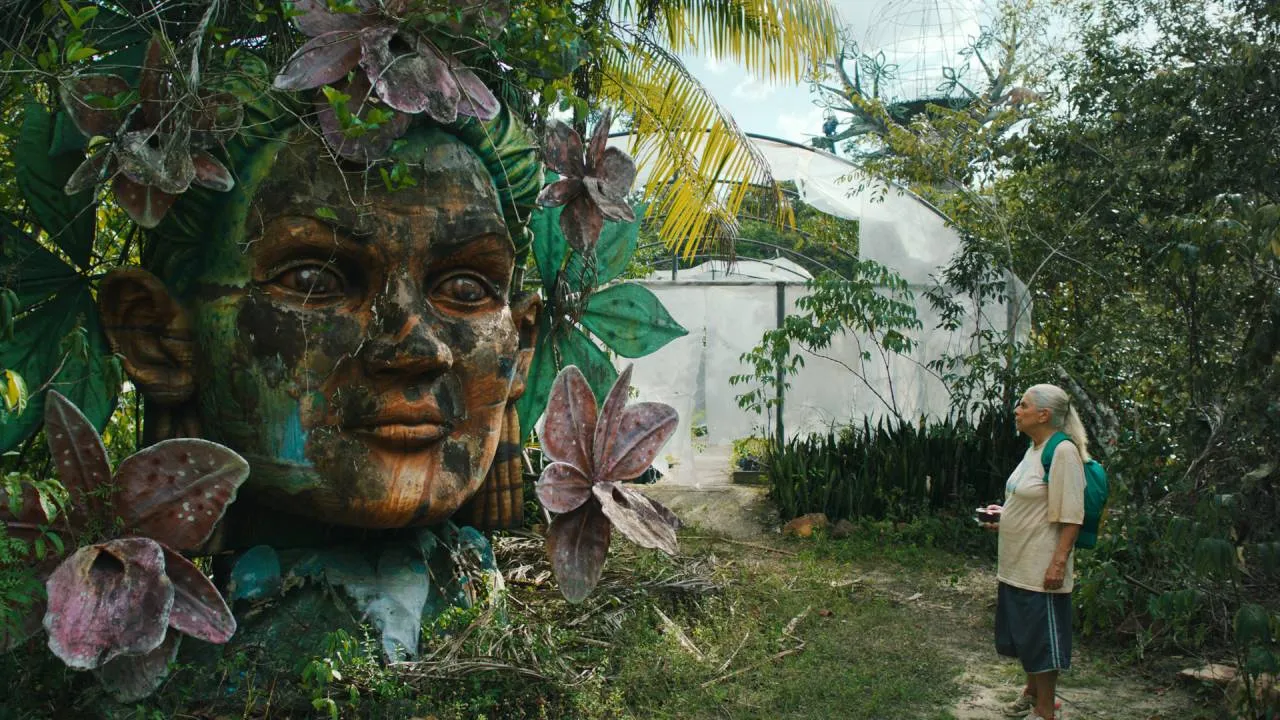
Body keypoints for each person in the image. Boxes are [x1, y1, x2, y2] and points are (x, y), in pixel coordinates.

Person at [988, 384, 1087, 720]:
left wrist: (1058, 564)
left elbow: (1072, 516)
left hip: (1041, 567)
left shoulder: (1063, 452)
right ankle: (1031, 694)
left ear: (1043, 415)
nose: (1017, 411)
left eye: (1024, 405)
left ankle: (1045, 711)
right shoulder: (1035, 448)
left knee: (1042, 641)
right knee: (1025, 637)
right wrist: (1004, 515)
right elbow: (1031, 498)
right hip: (1017, 564)